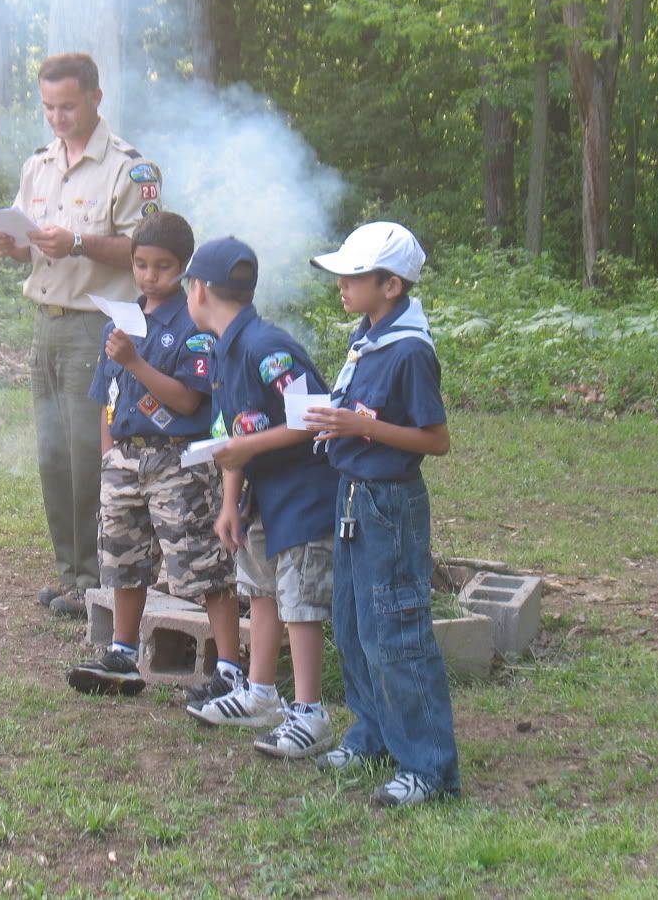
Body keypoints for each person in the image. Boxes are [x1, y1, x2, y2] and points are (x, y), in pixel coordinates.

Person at [0, 52, 162, 618]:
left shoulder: (131, 169)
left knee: (91, 454)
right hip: (47, 323)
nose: (57, 117)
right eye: (48, 107)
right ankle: (71, 572)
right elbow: (31, 243)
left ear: (95, 98)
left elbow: (149, 251)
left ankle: (101, 577)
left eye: (66, 106)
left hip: (98, 326)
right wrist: (11, 245)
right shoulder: (39, 165)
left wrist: (79, 243)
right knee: (54, 455)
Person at [302, 221, 460, 808]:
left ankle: (429, 767)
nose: (342, 286)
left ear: (391, 285)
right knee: (352, 626)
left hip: (388, 505)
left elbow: (436, 440)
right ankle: (373, 734)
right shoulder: (369, 335)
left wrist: (360, 427)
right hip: (353, 495)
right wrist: (336, 422)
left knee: (395, 632)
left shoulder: (410, 351)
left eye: (354, 277)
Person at [66, 212, 245, 697]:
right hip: (125, 459)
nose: (149, 276)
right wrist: (109, 456)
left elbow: (187, 401)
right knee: (124, 559)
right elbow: (106, 397)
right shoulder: (120, 321)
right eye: (141, 265)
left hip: (178, 462)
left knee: (202, 564)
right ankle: (123, 655)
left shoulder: (194, 325)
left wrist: (135, 361)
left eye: (163, 266)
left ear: (185, 268)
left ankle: (230, 670)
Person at [181, 237, 338, 760]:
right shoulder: (223, 350)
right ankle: (261, 694)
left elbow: (314, 417)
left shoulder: (266, 347)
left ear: (199, 290)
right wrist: (230, 502)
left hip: (304, 493)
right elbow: (232, 433)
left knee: (300, 601)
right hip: (262, 495)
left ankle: (310, 713)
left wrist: (247, 449)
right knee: (263, 590)